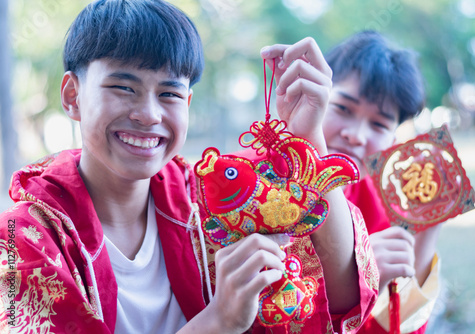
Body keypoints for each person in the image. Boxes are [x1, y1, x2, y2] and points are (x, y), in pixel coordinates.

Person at [0, 1, 378, 333]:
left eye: (169, 94)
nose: (148, 114)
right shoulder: (21, 239)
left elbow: (340, 296)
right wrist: (220, 321)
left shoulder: (216, 201)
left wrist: (309, 134)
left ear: (188, 103)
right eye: (123, 87)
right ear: (72, 96)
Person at [322, 31, 442, 333]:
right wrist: (356, 272)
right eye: (343, 108)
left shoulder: (377, 204)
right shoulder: (258, 185)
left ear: (394, 138)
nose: (356, 135)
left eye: (378, 123)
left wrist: (426, 233)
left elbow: (398, 327)